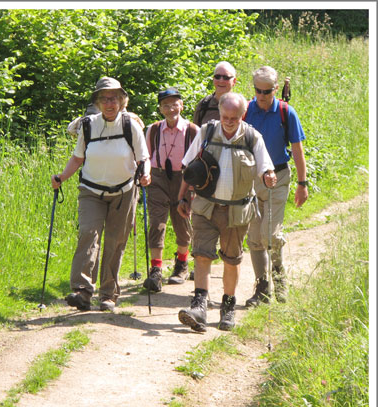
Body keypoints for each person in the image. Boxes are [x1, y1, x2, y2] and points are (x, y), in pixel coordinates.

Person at [176, 92, 276, 332]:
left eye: (234, 117)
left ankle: (228, 307)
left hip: (237, 211)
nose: (229, 121)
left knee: (231, 260)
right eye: (225, 116)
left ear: (242, 115)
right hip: (206, 205)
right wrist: (182, 196)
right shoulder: (207, 133)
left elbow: (265, 166)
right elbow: (188, 167)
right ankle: (199, 306)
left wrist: (269, 175)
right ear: (219, 113)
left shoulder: (252, 137)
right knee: (202, 255)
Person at [51, 77, 151, 312]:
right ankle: (82, 291)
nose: (109, 103)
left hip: (124, 191)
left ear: (122, 101)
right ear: (97, 102)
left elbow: (143, 158)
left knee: (115, 242)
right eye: (104, 98)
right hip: (91, 190)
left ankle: (108, 294)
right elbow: (78, 158)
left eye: (114, 98)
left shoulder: (131, 126)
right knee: (88, 233)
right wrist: (61, 177)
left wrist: (145, 175)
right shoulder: (88, 125)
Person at [244, 66, 308, 305]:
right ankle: (262, 289)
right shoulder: (246, 110)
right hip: (251, 179)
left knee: (269, 235)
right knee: (254, 238)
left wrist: (303, 183)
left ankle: (280, 282)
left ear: (275, 88)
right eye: (258, 90)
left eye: (267, 91)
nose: (262, 96)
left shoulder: (285, 112)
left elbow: (298, 150)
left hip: (278, 177)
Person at [142, 88, 199, 292]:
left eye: (174, 104)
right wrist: (146, 173)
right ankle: (155, 271)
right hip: (157, 178)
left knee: (182, 221)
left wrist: (191, 187)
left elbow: (198, 161)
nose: (170, 108)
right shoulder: (154, 129)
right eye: (166, 105)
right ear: (160, 108)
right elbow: (146, 155)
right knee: (157, 223)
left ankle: (181, 264)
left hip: (184, 179)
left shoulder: (193, 130)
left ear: (181, 106)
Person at [193, 61, 237, 126]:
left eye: (226, 78)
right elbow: (196, 133)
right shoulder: (204, 105)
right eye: (217, 77)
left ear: (234, 81)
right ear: (213, 79)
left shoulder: (240, 106)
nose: (221, 81)